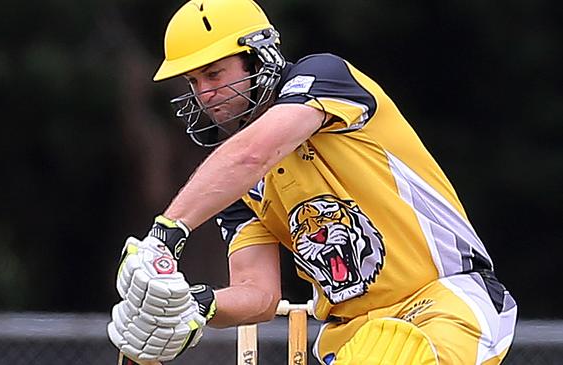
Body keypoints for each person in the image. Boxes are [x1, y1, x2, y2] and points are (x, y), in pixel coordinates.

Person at [107, 0, 518, 364]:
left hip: (443, 304)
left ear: (259, 56)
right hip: (350, 334)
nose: (205, 94)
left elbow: (254, 152)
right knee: (376, 347)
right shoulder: (240, 190)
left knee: (392, 348)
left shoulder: (326, 79)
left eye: (214, 74)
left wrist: (165, 235)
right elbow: (259, 295)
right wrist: (197, 306)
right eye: (194, 82)